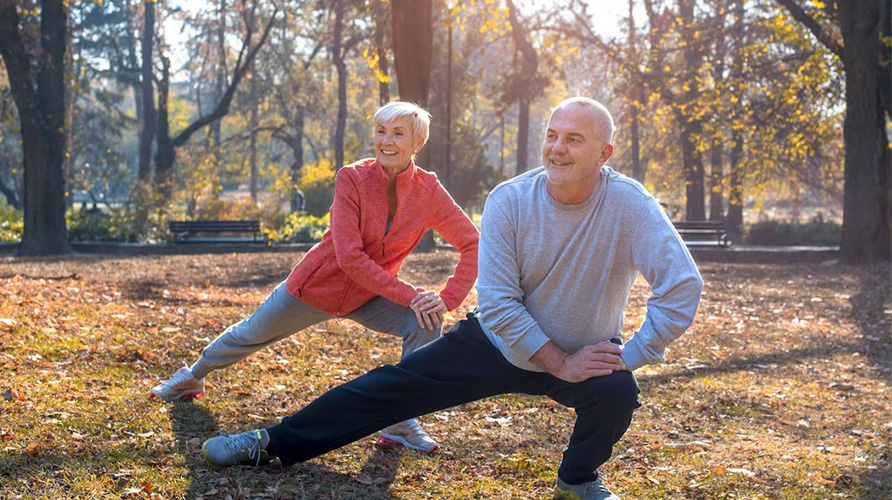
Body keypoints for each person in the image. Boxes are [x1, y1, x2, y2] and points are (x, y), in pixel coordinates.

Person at [199, 97, 703, 500]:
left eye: (574, 139)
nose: (557, 148)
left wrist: (628, 357)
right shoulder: (510, 199)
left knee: (617, 395)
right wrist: (558, 361)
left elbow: (681, 285)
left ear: (604, 154)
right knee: (387, 388)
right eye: (551, 135)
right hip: (497, 342)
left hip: (585, 352)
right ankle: (270, 443)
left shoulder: (629, 204)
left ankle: (578, 479)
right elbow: (501, 303)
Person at [150, 101, 479, 453]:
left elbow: (473, 243)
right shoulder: (352, 178)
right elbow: (350, 257)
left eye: (398, 133)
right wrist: (410, 293)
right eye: (381, 131)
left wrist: (445, 298)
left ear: (417, 143)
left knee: (426, 321)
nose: (386, 140)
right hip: (316, 288)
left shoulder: (428, 191)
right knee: (250, 333)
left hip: (369, 296)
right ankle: (192, 376)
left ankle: (398, 418)